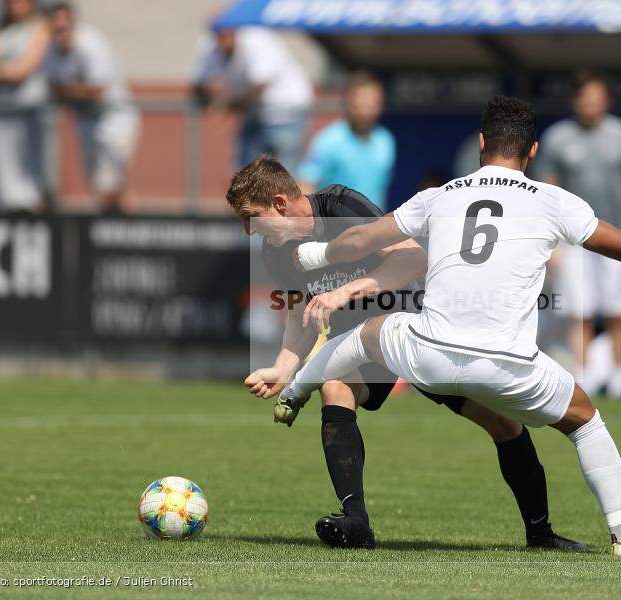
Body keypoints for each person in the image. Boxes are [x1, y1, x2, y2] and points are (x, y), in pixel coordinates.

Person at [274, 96, 621, 555]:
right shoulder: (553, 201)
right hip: (508, 367)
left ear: (480, 143)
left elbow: (359, 239)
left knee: (367, 335)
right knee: (586, 423)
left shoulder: (439, 196)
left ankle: (296, 392)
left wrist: (315, 255)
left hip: (429, 351)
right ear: (532, 152)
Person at [231, 155, 587, 552]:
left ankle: (540, 533)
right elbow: (299, 314)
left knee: (502, 424)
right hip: (361, 344)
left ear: (280, 204)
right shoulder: (275, 250)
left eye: (251, 216)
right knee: (335, 387)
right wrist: (283, 366)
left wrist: (346, 291)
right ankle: (355, 522)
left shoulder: (342, 207)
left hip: (420, 331)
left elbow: (412, 257)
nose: (249, 230)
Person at [535, 69, 621, 397]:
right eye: (584, 98)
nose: (590, 104)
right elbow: (548, 192)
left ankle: (620, 376)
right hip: (574, 239)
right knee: (579, 311)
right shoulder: (558, 138)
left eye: (596, 98)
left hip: (614, 236)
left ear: (606, 100)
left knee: (617, 309)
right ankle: (582, 376)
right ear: (575, 100)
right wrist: (552, 241)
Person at [44, 2, 139, 213]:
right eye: (55, 29)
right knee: (99, 187)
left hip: (115, 120)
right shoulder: (51, 50)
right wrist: (74, 92)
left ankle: (121, 230)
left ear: (73, 25)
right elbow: (52, 88)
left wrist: (66, 91)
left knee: (110, 187)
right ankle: (115, 226)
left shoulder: (91, 44)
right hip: (86, 122)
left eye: (63, 28)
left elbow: (96, 90)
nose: (59, 34)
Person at [194, 25, 312, 170]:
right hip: (255, 113)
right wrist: (212, 93)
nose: (222, 36)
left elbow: (259, 87)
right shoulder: (210, 45)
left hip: (286, 111)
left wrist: (225, 103)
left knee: (284, 174)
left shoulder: (258, 38)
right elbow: (200, 84)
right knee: (246, 174)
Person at [0, 0, 50, 212]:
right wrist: (6, 70)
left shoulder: (41, 27)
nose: (12, 4)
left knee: (30, 175)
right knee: (3, 174)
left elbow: (22, 72)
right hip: (1, 115)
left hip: (28, 114)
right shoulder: (0, 32)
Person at [298, 72, 395, 209]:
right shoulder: (327, 140)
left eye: (372, 103)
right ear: (349, 103)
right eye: (361, 103)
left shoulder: (385, 141)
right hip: (335, 227)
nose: (365, 109)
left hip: (373, 225)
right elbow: (306, 184)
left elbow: (381, 189)